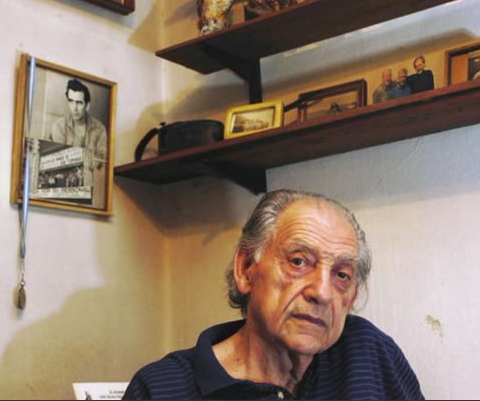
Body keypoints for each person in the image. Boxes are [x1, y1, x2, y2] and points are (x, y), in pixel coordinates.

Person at [123, 189, 424, 400]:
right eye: (299, 262)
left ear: (352, 297)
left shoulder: (370, 354)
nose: (322, 292)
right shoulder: (160, 389)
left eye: (341, 275)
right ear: (245, 269)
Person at [47, 79, 107, 170]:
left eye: (79, 103)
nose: (74, 108)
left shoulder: (100, 129)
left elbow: (101, 162)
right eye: (71, 101)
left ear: (87, 105)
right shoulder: (59, 127)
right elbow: (60, 160)